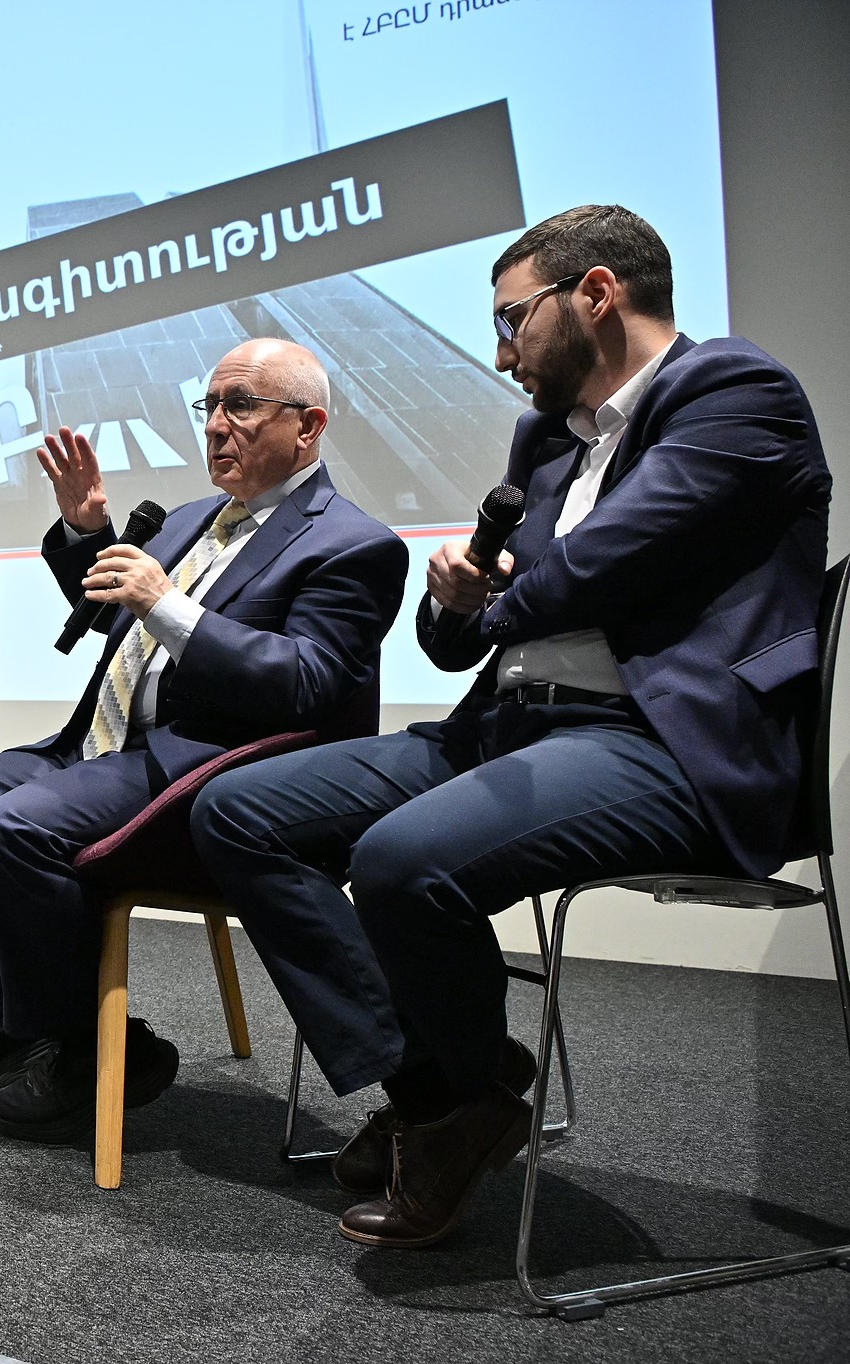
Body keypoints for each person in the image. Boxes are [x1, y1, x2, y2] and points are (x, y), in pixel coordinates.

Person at [190, 205, 831, 1248]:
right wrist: (454, 603)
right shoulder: (545, 439)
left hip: (657, 743)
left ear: (594, 294)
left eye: (509, 319)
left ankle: (451, 1105)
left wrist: (487, 597)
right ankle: (452, 1089)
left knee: (399, 859)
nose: (499, 353)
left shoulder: (734, 392)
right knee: (237, 811)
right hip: (507, 724)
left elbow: (599, 565)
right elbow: (463, 639)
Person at [0, 339, 408, 1140]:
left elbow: (307, 683)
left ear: (308, 426)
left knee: (17, 826)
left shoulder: (352, 544)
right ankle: (6, 1018)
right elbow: (118, 616)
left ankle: (92, 1046)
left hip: (202, 765)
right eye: (211, 407)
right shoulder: (194, 518)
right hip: (101, 743)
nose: (217, 425)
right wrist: (85, 532)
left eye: (241, 406)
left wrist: (167, 602)